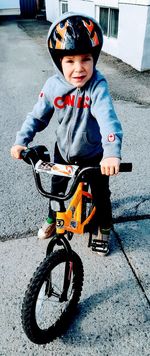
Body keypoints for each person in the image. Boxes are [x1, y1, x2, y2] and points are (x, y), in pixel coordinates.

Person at [11, 12, 123, 255]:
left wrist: (111, 154)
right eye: (70, 60)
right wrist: (22, 141)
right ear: (58, 61)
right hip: (63, 152)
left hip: (94, 154)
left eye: (86, 59)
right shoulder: (53, 86)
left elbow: (108, 120)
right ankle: (53, 217)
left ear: (95, 58)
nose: (79, 68)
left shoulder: (98, 87)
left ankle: (104, 226)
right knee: (56, 190)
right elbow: (37, 116)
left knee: (101, 193)